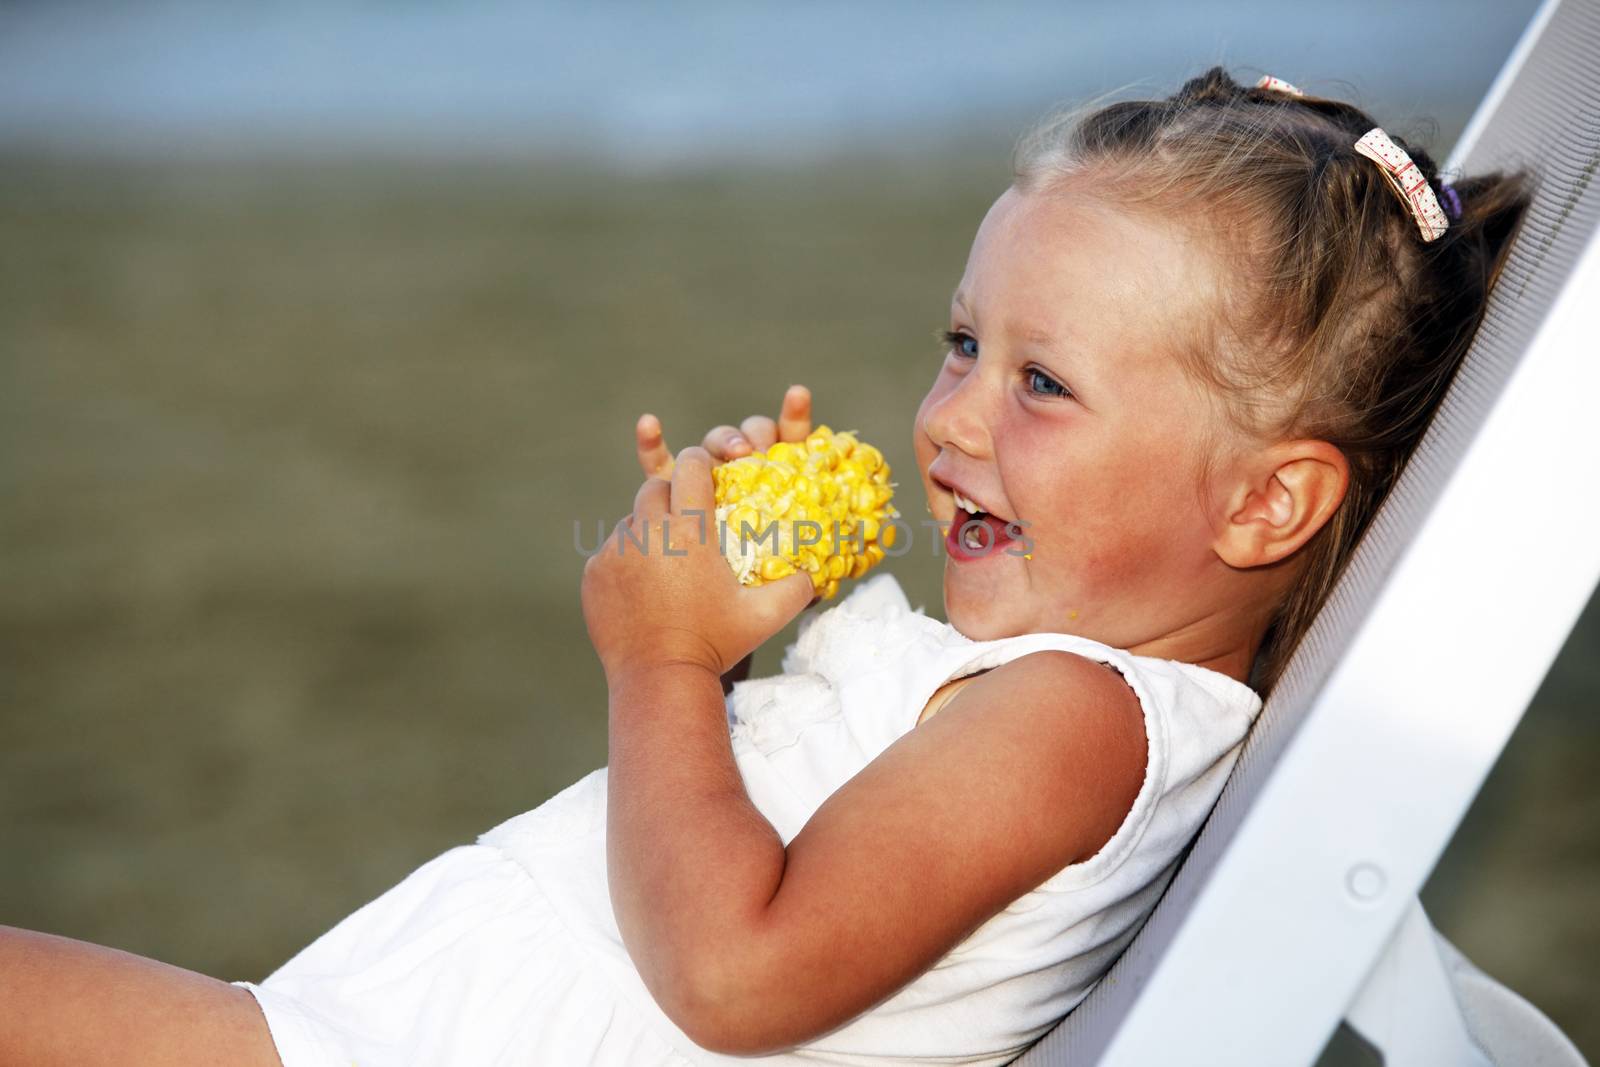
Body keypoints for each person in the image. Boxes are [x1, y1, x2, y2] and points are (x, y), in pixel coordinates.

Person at [0, 66, 1531, 1066]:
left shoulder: (1075, 724)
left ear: (1268, 507)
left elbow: (736, 979)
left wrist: (659, 666)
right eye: (959, 346)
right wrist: (726, 655)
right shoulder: (1049, 700)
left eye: (1040, 385)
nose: (948, 419)